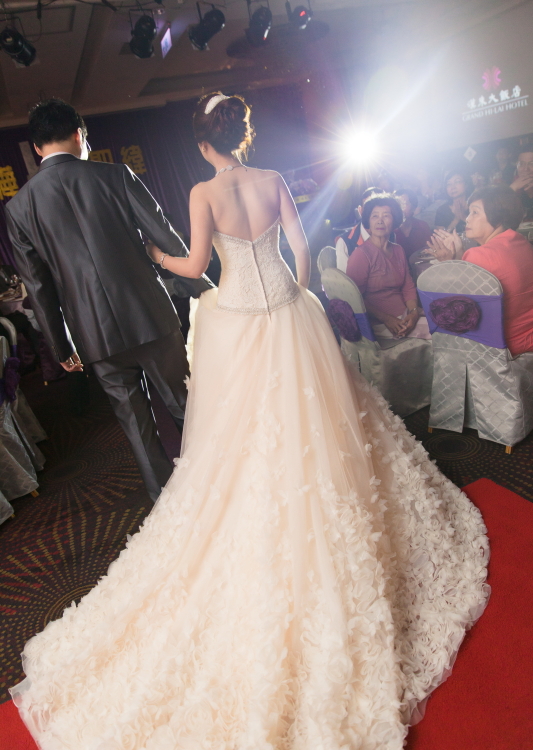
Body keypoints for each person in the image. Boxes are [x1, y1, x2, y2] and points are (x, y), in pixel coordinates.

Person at [11, 92, 489, 750]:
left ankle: (183, 507)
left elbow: (139, 269)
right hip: (256, 311)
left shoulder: (40, 205)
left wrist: (105, 303)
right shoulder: (239, 179)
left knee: (185, 429)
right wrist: (290, 292)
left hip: (154, 327)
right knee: (252, 413)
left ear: (203, 145)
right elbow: (287, 244)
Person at [6, 99, 212, 503]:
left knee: (136, 427)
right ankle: (217, 485)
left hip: (93, 335)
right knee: (185, 406)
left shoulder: (19, 208)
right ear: (79, 135)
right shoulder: (116, 175)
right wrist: (202, 288)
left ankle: (168, 507)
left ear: (37, 148)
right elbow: (165, 235)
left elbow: (38, 286)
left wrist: (61, 346)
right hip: (150, 316)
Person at [427, 185, 533, 357]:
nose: (467, 219)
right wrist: (459, 255)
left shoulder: (479, 255)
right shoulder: (521, 241)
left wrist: (448, 263)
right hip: (528, 336)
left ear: (497, 218)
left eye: (475, 212)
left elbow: (457, 308)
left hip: (504, 347)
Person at [346, 194, 429, 339]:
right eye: (374, 216)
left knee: (442, 325)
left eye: (386, 216)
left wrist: (414, 312)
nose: (380, 221)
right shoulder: (361, 255)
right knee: (433, 334)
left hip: (405, 315)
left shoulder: (398, 250)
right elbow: (354, 298)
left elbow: (408, 287)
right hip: (377, 323)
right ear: (368, 221)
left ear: (394, 220)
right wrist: (387, 319)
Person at [335, 186, 383, 272]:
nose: (374, 213)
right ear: (360, 210)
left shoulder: (392, 235)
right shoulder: (345, 243)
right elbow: (345, 280)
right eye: (368, 208)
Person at [393, 188, 433, 259]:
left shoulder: (422, 226)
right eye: (397, 204)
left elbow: (429, 251)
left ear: (414, 208)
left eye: (404, 204)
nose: (400, 208)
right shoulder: (389, 229)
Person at [510, 144, 533, 222]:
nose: (526, 169)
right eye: (521, 164)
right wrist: (512, 188)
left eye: (531, 163)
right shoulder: (513, 185)